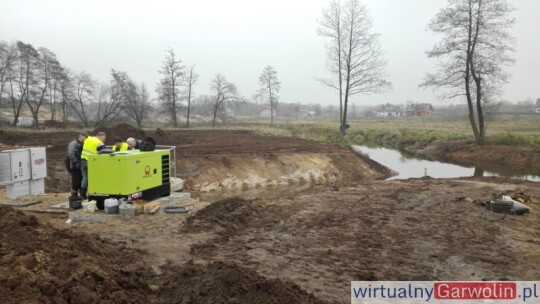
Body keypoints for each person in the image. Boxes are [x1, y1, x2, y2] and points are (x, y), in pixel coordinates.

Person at [80, 131, 107, 200]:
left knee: (85, 177)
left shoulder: (88, 139)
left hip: (83, 160)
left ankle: (82, 195)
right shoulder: (99, 143)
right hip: (91, 162)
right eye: (104, 139)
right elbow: (105, 152)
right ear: (100, 137)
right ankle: (93, 194)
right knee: (93, 178)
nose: (104, 141)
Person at [64, 131, 87, 198]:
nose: (86, 139)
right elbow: (71, 154)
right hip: (74, 165)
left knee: (80, 178)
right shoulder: (74, 143)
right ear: (81, 136)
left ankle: (80, 194)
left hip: (79, 165)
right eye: (85, 137)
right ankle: (74, 194)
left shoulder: (82, 144)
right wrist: (76, 162)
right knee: (75, 180)